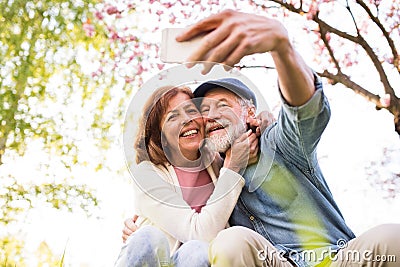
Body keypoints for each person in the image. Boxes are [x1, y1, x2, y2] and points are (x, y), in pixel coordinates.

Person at [123, 9, 400, 267]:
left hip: (334, 259)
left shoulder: (279, 142)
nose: (209, 116)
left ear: (249, 113)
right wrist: (147, 227)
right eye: (204, 110)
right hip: (271, 262)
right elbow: (197, 226)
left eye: (222, 105)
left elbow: (304, 110)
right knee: (230, 242)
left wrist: (282, 48)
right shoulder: (217, 174)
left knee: (391, 238)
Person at [115, 84, 260, 266]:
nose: (187, 120)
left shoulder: (217, 162)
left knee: (197, 251)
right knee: (148, 237)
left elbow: (245, 130)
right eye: (173, 117)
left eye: (191, 110)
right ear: (162, 135)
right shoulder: (147, 174)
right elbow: (199, 234)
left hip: (195, 261)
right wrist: (233, 168)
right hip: (157, 261)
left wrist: (265, 120)